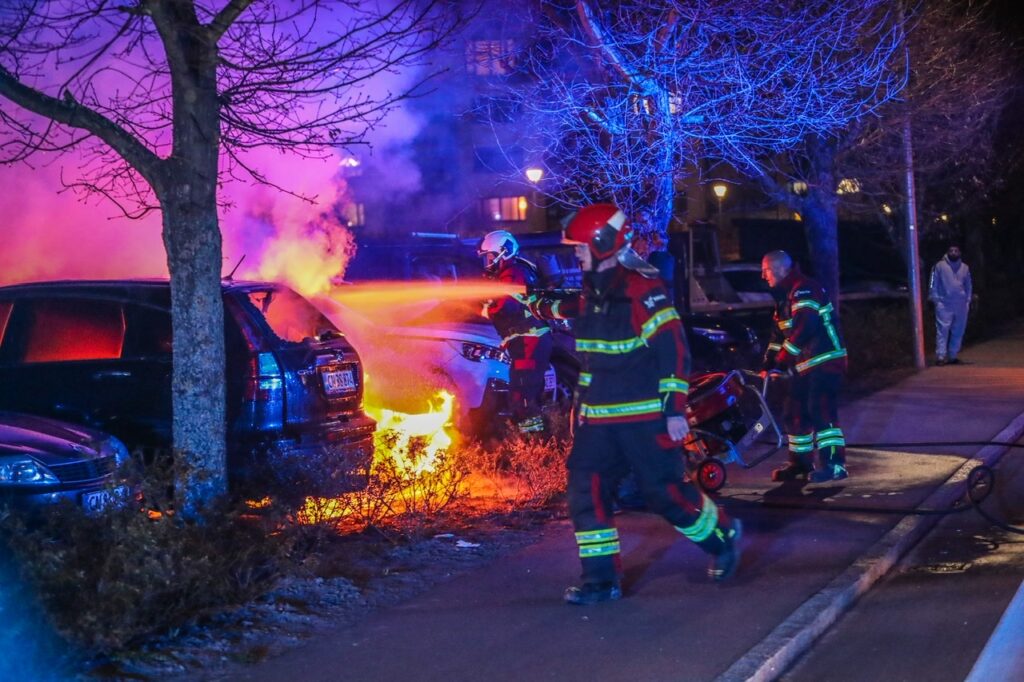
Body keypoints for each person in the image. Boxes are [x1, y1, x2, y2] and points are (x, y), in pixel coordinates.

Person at [534, 203, 742, 605]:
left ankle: (722, 535)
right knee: (585, 491)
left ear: (602, 245)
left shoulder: (643, 290)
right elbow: (592, 358)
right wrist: (582, 407)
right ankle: (600, 581)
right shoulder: (593, 294)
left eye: (580, 248)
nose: (576, 255)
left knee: (664, 494)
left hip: (645, 417)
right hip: (600, 421)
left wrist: (674, 408)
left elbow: (674, 349)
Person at [761, 250, 849, 483]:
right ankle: (800, 464)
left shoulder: (805, 289)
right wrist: (769, 363)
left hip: (826, 360)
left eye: (766, 270)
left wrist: (781, 361)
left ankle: (835, 465)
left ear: (780, 269)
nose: (763, 276)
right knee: (794, 412)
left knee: (820, 410)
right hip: (804, 366)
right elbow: (777, 336)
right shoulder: (785, 297)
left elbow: (804, 327)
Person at [478, 230, 553, 434]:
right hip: (528, 340)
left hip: (530, 340)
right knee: (523, 392)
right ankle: (532, 439)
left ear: (503, 252)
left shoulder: (513, 273)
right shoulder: (513, 271)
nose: (488, 262)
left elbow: (507, 307)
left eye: (490, 256)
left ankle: (533, 441)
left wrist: (486, 309)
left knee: (523, 394)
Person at [928, 244, 972, 366]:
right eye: (951, 250)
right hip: (944, 304)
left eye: (956, 251)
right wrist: (935, 299)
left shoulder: (965, 268)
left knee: (958, 330)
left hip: (961, 304)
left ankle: (953, 355)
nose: (953, 253)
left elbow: (968, 284)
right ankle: (941, 356)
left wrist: (968, 299)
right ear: (947, 252)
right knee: (942, 330)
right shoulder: (939, 266)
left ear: (960, 253)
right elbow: (932, 282)